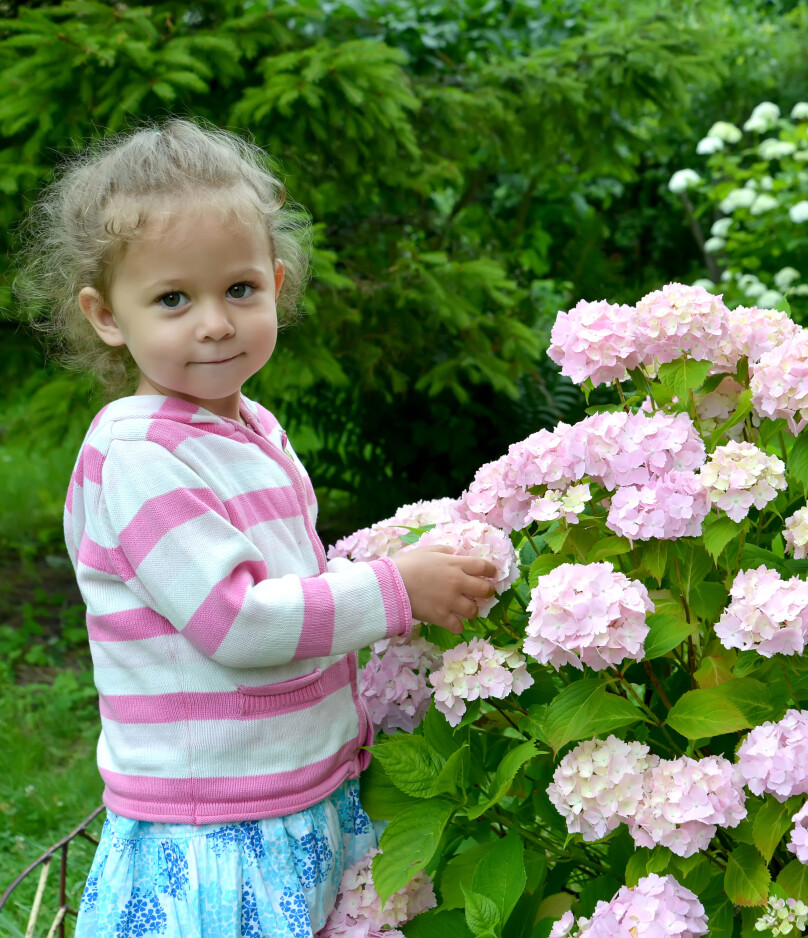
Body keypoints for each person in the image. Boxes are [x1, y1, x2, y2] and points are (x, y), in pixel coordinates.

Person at [16, 118, 498, 937]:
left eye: (239, 290)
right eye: (173, 299)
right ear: (105, 315)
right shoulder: (136, 454)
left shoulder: (251, 427)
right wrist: (396, 588)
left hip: (296, 790)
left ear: (276, 283)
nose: (214, 322)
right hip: (213, 828)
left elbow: (294, 572)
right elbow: (236, 620)